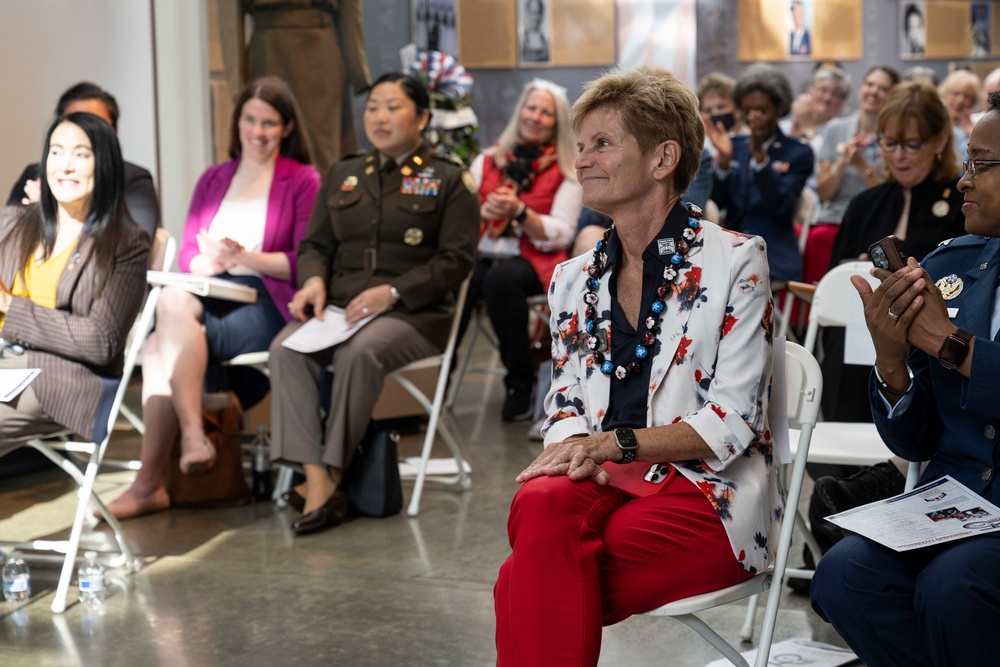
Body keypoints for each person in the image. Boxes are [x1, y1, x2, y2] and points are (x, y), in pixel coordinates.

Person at [494, 69, 778, 665]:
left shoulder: (736, 260)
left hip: (706, 492)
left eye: (603, 143)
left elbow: (731, 423)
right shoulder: (571, 279)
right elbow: (566, 404)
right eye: (581, 145)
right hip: (606, 481)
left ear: (662, 158)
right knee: (538, 501)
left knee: (520, 583)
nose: (583, 161)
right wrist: (579, 449)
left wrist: (615, 444)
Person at [811, 91, 1000, 666]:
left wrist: (949, 344)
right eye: (965, 162)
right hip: (958, 498)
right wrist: (892, 361)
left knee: (951, 586)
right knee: (843, 574)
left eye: (981, 164)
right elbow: (913, 442)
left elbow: (952, 348)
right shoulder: (952, 268)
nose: (964, 181)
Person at [268, 73, 479, 536]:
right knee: (285, 349)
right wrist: (313, 282)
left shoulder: (449, 180)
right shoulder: (343, 174)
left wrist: (395, 291)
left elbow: (456, 261)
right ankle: (321, 478)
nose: (379, 117)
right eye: (372, 108)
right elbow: (313, 246)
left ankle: (330, 474)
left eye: (393, 107)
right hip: (341, 309)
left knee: (359, 353)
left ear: (422, 117)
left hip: (415, 314)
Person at [102, 77, 320, 520]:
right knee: (172, 303)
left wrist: (245, 257)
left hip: (269, 301)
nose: (258, 132)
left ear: (288, 128)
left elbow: (305, 260)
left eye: (270, 123)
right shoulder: (215, 177)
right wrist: (206, 265)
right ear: (237, 122)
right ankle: (188, 440)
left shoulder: (302, 179)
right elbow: (186, 253)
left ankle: (154, 478)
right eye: (250, 120)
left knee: (158, 344)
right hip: (212, 292)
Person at [0, 112, 150, 452]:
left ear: (105, 165)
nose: (65, 165)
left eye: (81, 154)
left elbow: (101, 341)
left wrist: (11, 308)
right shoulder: (11, 222)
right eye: (56, 151)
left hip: (63, 377)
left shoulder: (125, 243)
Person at [460, 79, 582, 421]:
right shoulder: (487, 160)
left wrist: (520, 213)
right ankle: (440, 370)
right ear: (520, 112)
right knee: (464, 276)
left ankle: (519, 382)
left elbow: (562, 233)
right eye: (531, 108)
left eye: (546, 113)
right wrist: (479, 213)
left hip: (534, 258)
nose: (536, 117)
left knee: (499, 281)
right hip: (484, 251)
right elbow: (460, 218)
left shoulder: (566, 170)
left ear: (557, 123)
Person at [6, 82, 159, 239]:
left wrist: (53, 213)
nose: (67, 166)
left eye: (94, 123)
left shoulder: (133, 178)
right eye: (74, 122)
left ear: (113, 132)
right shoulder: (35, 173)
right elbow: (7, 236)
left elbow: (136, 239)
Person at [710, 63, 814, 282]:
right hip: (730, 251)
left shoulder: (798, 152)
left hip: (771, 253)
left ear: (778, 109)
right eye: (747, 110)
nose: (753, 117)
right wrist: (725, 163)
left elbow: (781, 206)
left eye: (762, 110)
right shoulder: (734, 145)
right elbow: (717, 203)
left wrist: (760, 159)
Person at [244, 0, 372, 175]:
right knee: (267, 148)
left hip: (317, 49)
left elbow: (348, 5)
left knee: (321, 154)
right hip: (267, 51)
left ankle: (322, 200)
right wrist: (236, 76)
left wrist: (357, 70)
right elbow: (229, 12)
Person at [809, 66, 900, 282]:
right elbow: (824, 193)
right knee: (818, 236)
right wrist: (842, 163)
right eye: (869, 84)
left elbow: (890, 195)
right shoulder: (836, 129)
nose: (873, 92)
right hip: (834, 218)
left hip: (876, 219)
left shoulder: (895, 134)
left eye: (882, 88)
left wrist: (861, 165)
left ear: (892, 96)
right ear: (860, 88)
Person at [939, 69, 982, 160]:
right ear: (944, 94)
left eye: (967, 96)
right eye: (955, 94)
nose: (960, 100)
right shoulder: (935, 123)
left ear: (973, 102)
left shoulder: (978, 125)